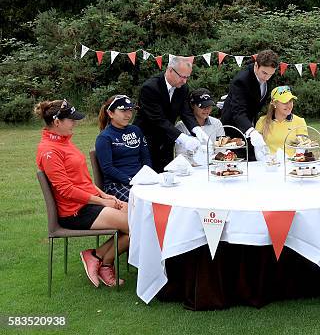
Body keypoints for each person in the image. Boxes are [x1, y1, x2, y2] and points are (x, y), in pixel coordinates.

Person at [35, 99, 129, 287]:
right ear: (57, 122)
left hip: (88, 203)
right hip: (74, 212)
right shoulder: (49, 151)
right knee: (137, 225)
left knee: (140, 218)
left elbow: (83, 180)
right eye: (71, 120)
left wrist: (104, 195)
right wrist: (101, 202)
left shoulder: (65, 143)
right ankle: (104, 262)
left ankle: (97, 256)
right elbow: (66, 190)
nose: (75, 123)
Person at [133, 56, 203, 172]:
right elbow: (158, 119)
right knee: (150, 174)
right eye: (182, 77)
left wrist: (197, 130)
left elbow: (185, 112)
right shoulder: (150, 88)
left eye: (187, 77)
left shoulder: (182, 88)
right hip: (148, 138)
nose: (184, 81)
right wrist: (182, 138)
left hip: (167, 139)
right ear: (170, 70)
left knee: (167, 173)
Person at [220, 49, 278, 160]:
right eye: (264, 73)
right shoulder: (241, 81)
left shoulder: (268, 74)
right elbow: (238, 112)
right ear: (256, 65)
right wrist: (251, 131)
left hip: (250, 122)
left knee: (254, 159)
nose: (267, 78)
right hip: (233, 126)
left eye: (271, 74)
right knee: (237, 161)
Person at [95, 95, 152, 202]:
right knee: (143, 203)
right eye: (123, 110)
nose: (128, 115)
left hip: (140, 180)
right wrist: (130, 180)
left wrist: (146, 175)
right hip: (116, 185)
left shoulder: (136, 130)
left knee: (164, 197)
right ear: (110, 113)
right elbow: (108, 168)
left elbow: (146, 158)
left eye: (130, 110)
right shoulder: (104, 137)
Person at [255, 85, 307, 157]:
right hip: (268, 165)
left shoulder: (300, 121)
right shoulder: (262, 121)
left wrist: (290, 162)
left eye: (291, 101)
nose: (289, 105)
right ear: (274, 103)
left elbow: (301, 149)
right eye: (285, 102)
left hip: (292, 165)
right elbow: (258, 150)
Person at [176, 88, 224, 159]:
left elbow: (221, 149)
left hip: (213, 165)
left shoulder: (217, 123)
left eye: (209, 106)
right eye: (202, 106)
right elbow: (181, 155)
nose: (207, 110)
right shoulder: (181, 126)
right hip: (191, 167)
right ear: (192, 105)